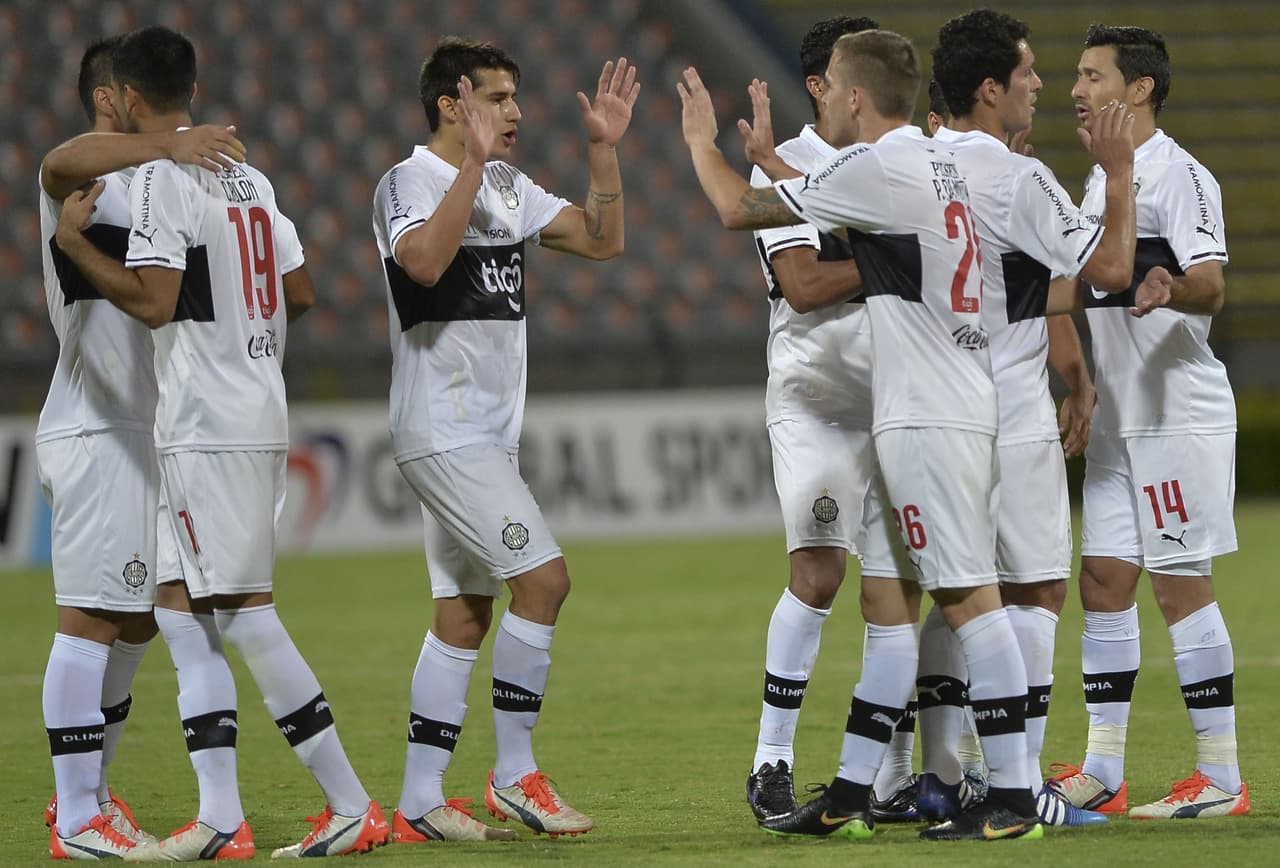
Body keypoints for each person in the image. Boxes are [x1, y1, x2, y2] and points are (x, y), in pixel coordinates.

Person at [682, 28, 1046, 842]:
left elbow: (739, 210)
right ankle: (852, 794)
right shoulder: (939, 159)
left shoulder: (885, 164)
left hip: (927, 411)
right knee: (885, 603)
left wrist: (701, 146)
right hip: (905, 407)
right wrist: (778, 162)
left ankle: (1014, 797)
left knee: (968, 600)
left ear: (847, 94)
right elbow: (815, 207)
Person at [55, 26, 388, 860]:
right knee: (179, 612)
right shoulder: (249, 175)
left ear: (128, 99)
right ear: (191, 92)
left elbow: (155, 300)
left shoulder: (163, 178)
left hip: (207, 424)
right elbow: (300, 290)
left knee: (241, 614)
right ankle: (220, 819)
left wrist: (71, 247)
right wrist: (247, 334)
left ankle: (351, 804)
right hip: (251, 405)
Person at [371, 38, 639, 843]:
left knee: (463, 611)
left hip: (487, 434)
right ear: (453, 105)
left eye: (517, 97)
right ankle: (516, 776)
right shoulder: (406, 182)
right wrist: (469, 172)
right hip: (442, 430)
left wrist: (602, 155)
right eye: (498, 97)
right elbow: (420, 263)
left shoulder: (509, 185)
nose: (516, 113)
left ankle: (420, 800)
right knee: (545, 583)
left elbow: (602, 240)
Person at [921, 8, 1138, 828]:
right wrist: (1116, 175)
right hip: (1008, 410)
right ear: (990, 88)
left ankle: (945, 775)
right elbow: (1110, 269)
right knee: (1037, 587)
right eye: (1028, 73)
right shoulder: (1022, 176)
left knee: (956, 592)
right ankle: (1020, 784)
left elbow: (1011, 286)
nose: (1042, 85)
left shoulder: (920, 163)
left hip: (929, 410)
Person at [38, 35, 246, 860]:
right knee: (91, 618)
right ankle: (77, 815)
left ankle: (89, 800)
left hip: (156, 430)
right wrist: (169, 142)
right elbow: (56, 159)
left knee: (136, 622)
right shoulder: (84, 179)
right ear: (111, 100)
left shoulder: (170, 183)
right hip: (97, 426)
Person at [1048, 24, 1249, 821]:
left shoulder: (1183, 177)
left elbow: (1212, 284)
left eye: (1092, 75)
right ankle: (1103, 769)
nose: (1076, 88)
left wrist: (1173, 285)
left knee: (1179, 586)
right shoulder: (1102, 184)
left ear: (1139, 89)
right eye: (1075, 74)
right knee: (1102, 583)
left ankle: (1222, 777)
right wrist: (1082, 381)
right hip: (1120, 418)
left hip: (1176, 414)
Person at [739, 14, 901, 824]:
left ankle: (890, 773)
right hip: (819, 402)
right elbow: (802, 284)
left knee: (896, 591)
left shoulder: (892, 160)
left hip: (901, 403)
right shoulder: (795, 166)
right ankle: (771, 759)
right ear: (823, 86)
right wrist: (894, 260)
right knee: (819, 574)